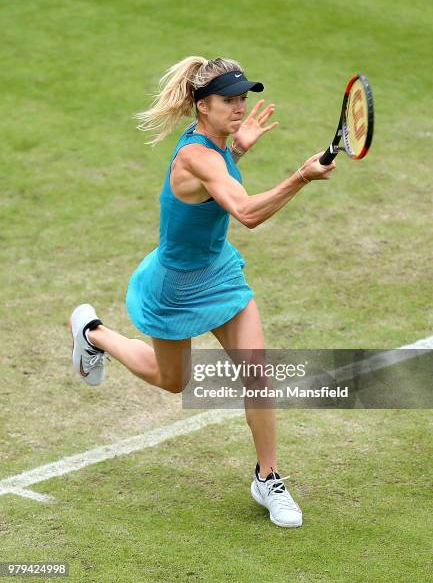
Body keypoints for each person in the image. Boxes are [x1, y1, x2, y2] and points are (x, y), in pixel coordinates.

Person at [70, 56, 335, 528]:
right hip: (175, 287)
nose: (239, 108)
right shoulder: (196, 155)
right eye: (229, 101)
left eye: (242, 99)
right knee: (172, 381)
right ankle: (94, 333)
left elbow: (216, 186)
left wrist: (238, 152)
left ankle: (268, 478)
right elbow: (246, 214)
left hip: (219, 274)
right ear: (202, 106)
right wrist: (300, 176)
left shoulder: (216, 152)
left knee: (258, 373)